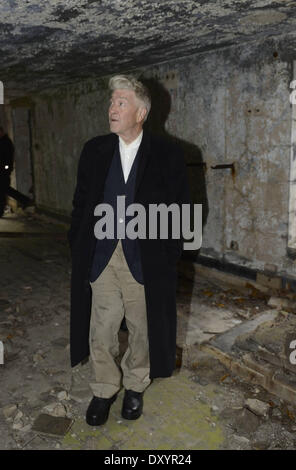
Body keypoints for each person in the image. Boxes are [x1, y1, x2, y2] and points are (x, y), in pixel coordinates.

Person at [68, 74, 191, 426]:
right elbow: (80, 203)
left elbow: (182, 209)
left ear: (141, 113)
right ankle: (104, 388)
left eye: (121, 102)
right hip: (101, 255)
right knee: (102, 325)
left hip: (145, 258)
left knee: (142, 327)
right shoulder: (95, 150)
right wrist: (77, 242)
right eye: (111, 102)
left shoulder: (167, 154)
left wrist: (168, 254)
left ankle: (136, 384)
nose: (112, 108)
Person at [0, 126, 14, 217]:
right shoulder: (3, 142)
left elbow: (8, 157)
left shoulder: (6, 142)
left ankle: (25, 200)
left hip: (3, 171)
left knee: (3, 190)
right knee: (3, 190)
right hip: (2, 170)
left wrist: (7, 168)